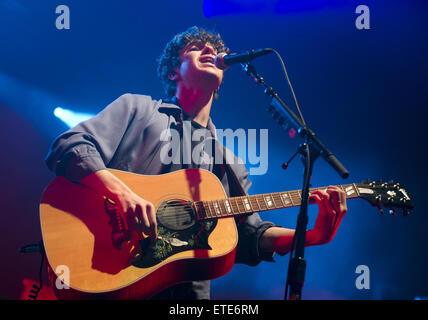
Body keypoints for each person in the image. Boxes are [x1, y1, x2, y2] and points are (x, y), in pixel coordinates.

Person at [45, 26, 348, 299]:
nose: (210, 50)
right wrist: (120, 193)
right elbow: (69, 146)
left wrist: (313, 236)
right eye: (195, 47)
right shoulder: (137, 109)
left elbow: (249, 236)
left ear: (220, 84)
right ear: (173, 72)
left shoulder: (229, 164)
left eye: (214, 48)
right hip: (113, 271)